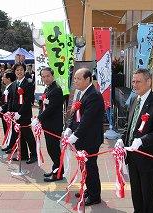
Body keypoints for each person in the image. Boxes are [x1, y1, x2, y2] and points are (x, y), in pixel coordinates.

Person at [116, 68, 153, 213]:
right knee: (136, 192)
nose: (134, 84)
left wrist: (142, 141)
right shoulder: (134, 99)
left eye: (138, 81)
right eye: (133, 81)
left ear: (149, 81)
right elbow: (129, 124)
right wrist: (122, 139)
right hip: (132, 155)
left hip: (148, 156)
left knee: (148, 194)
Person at [65, 67, 104, 206]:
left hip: (90, 138)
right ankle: (89, 189)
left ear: (88, 79)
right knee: (84, 165)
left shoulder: (93, 95)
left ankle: (95, 196)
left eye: (79, 78)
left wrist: (75, 135)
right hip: (82, 137)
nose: (75, 81)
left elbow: (87, 119)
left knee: (90, 166)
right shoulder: (81, 93)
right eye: (74, 78)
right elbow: (75, 114)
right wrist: (69, 128)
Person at [31, 67, 64, 182]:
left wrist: (39, 119)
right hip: (48, 124)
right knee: (52, 149)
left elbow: (51, 108)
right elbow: (43, 106)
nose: (46, 78)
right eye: (43, 76)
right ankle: (56, 169)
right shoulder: (48, 88)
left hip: (54, 126)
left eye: (48, 76)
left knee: (53, 150)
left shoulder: (56, 90)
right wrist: (39, 118)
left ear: (52, 75)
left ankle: (58, 174)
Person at [10, 63, 37, 163]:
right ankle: (24, 155)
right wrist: (11, 112)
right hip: (16, 115)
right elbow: (12, 99)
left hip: (24, 114)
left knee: (28, 135)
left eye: (21, 70)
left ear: (24, 71)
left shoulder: (28, 83)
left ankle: (34, 155)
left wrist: (20, 113)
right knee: (19, 135)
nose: (19, 72)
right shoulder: (14, 84)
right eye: (17, 70)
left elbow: (28, 100)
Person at [0, 71, 16, 139]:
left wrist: (2, 107)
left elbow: (9, 101)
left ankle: (10, 144)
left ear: (8, 79)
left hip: (7, 112)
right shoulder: (7, 87)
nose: (2, 78)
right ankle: (8, 142)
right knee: (6, 128)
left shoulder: (11, 88)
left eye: (4, 77)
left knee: (9, 129)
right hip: (4, 111)